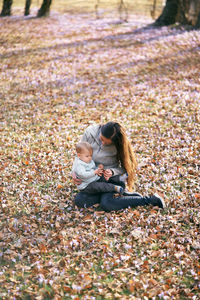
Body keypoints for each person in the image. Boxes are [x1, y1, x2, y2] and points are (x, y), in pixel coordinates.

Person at [72, 121, 165, 211]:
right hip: (94, 180)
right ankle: (122, 195)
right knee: (80, 200)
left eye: (107, 143)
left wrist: (112, 171)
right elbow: (79, 155)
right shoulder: (89, 133)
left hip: (111, 180)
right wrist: (74, 173)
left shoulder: (119, 145)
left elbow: (126, 168)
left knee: (107, 204)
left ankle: (150, 200)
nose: (103, 143)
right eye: (102, 139)